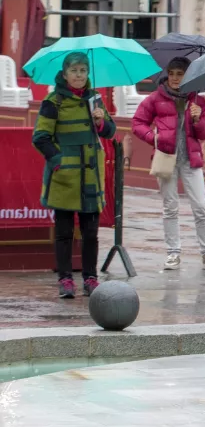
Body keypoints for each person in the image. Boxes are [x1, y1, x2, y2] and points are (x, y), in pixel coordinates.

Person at [33, 53, 116, 298]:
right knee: (64, 232)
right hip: (64, 178)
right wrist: (59, 162)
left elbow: (109, 133)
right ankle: (65, 279)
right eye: (75, 70)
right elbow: (40, 138)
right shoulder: (53, 102)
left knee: (91, 232)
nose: (79, 75)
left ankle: (90, 278)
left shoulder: (95, 99)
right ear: (65, 73)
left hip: (90, 176)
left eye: (83, 70)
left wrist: (101, 122)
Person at [130, 56, 205, 272]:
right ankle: (173, 253)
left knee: (201, 207)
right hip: (166, 158)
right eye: (172, 74)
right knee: (170, 208)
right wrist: (153, 138)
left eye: (180, 74)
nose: (175, 78)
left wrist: (198, 120)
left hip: (191, 159)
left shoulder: (197, 100)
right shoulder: (156, 98)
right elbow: (137, 122)